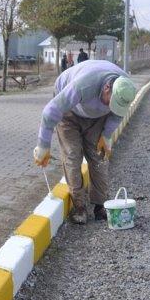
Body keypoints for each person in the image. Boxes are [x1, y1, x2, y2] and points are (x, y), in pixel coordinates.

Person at [33, 60, 136, 224]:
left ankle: (100, 206)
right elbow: (50, 112)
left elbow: (117, 114)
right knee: (73, 155)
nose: (112, 106)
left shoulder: (126, 89)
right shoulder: (84, 85)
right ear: (107, 87)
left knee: (99, 157)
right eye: (111, 102)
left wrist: (106, 135)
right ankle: (79, 207)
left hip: (96, 117)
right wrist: (43, 145)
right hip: (68, 112)